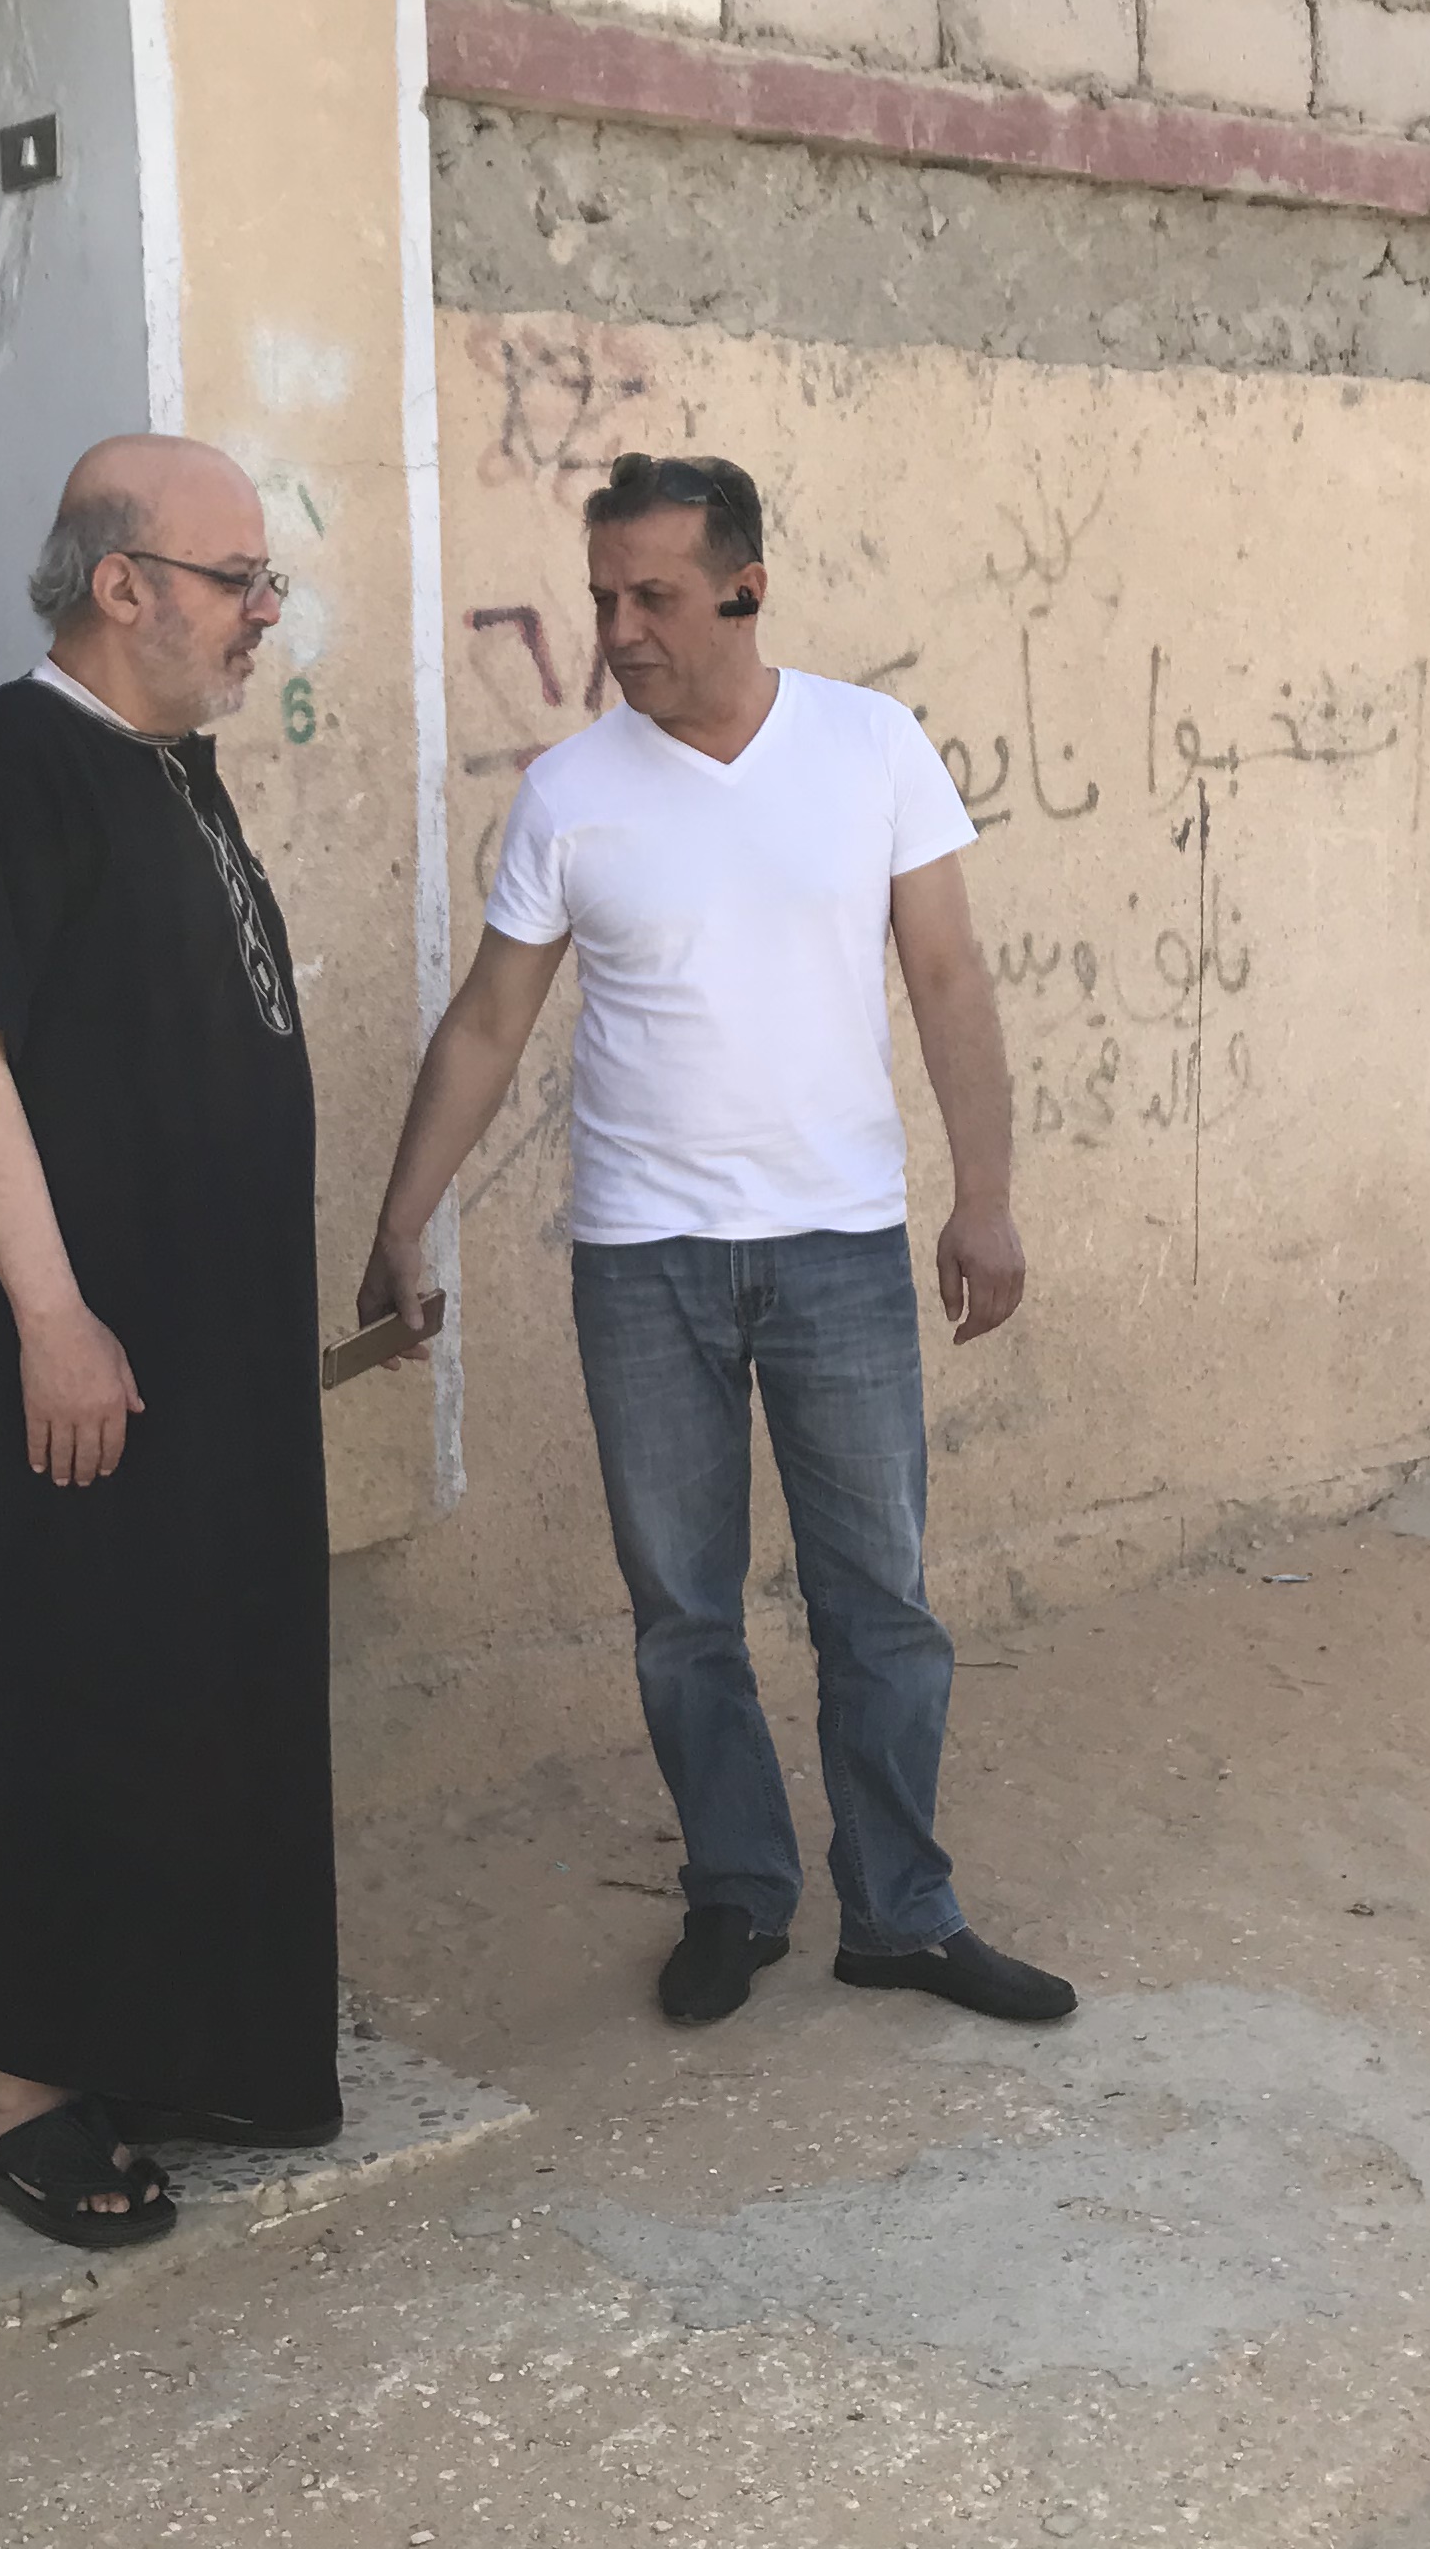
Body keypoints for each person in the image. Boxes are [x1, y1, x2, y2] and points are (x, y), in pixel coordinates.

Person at [358, 452, 1076, 2032]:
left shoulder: (870, 747)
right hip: (642, 1262)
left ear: (746, 589)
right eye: (602, 597)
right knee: (684, 1610)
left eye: (655, 597)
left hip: (837, 1249)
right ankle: (738, 1890)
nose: (619, 630)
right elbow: (489, 1023)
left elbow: (949, 978)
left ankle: (900, 1913)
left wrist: (987, 1194)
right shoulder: (572, 794)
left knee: (878, 1602)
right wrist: (405, 1219)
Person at [0, 436, 340, 2246]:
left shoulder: (174, 774)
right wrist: (54, 1316)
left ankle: (167, 2045)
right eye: (238, 580)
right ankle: (19, 2093)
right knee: (61, 1693)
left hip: (203, 1370)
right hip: (73, 1358)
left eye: (265, 581)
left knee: (192, 1692)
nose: (264, 613)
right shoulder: (5, 766)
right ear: (121, 584)